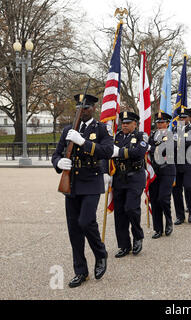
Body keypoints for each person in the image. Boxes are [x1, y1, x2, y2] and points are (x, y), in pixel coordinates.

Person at [52, 94, 113, 288]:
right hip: (72, 183)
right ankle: (81, 271)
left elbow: (107, 151)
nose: (82, 110)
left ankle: (100, 252)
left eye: (85, 107)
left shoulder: (101, 128)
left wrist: (83, 142)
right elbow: (57, 153)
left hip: (92, 180)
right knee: (74, 230)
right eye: (79, 107)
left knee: (86, 221)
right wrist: (58, 163)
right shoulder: (69, 129)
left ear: (93, 109)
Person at [110, 111, 148, 258]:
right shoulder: (116, 136)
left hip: (135, 177)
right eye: (123, 123)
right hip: (119, 177)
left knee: (131, 208)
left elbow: (139, 152)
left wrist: (119, 152)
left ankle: (138, 236)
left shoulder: (140, 136)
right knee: (119, 213)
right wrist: (105, 172)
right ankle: (124, 245)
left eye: (128, 123)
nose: (124, 125)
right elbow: (107, 154)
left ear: (135, 124)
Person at [148, 111, 176, 239]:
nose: (159, 125)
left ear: (168, 123)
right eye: (158, 123)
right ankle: (158, 228)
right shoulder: (152, 135)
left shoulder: (172, 135)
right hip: (154, 171)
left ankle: (169, 221)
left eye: (162, 122)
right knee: (154, 200)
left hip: (167, 171)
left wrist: (151, 148)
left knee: (163, 199)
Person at [172, 107, 191, 225]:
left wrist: (179, 140)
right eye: (180, 117)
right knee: (176, 190)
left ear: (189, 118)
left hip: (189, 163)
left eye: (184, 117)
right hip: (177, 164)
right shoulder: (174, 130)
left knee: (188, 187)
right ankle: (180, 215)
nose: (182, 119)